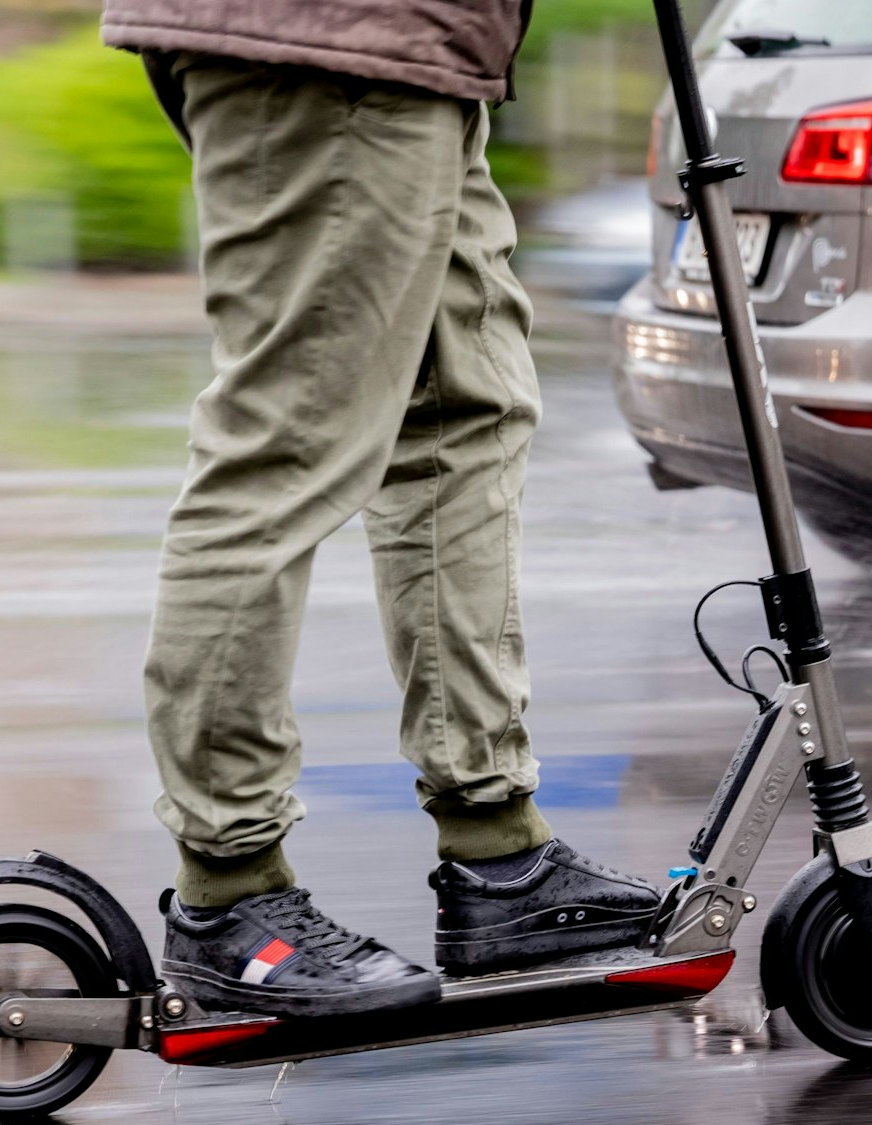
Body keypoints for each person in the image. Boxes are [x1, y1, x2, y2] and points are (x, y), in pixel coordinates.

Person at [101, 0, 660, 1019]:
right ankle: (229, 893)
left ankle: (498, 856)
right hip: (331, 36)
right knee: (286, 443)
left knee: (465, 414)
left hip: (426, 45)